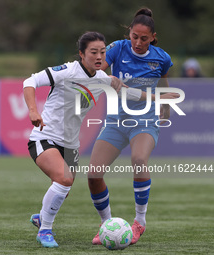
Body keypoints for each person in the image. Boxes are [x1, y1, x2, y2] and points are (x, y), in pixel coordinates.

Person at [23, 31, 177, 248]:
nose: (99, 57)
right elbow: (30, 81)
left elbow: (130, 93)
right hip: (45, 136)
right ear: (81, 54)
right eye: (93, 52)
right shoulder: (67, 71)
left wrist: (158, 97)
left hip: (70, 145)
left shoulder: (104, 79)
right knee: (64, 179)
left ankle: (42, 216)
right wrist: (32, 110)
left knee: (62, 189)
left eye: (102, 52)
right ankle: (45, 230)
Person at [87, 8, 174, 245]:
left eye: (144, 38)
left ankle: (139, 222)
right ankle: (106, 223)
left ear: (153, 37)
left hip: (145, 121)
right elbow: (95, 69)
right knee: (93, 175)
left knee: (138, 159)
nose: (137, 42)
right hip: (116, 121)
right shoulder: (117, 48)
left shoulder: (161, 57)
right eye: (134, 36)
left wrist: (164, 103)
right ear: (130, 33)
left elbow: (163, 83)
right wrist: (104, 76)